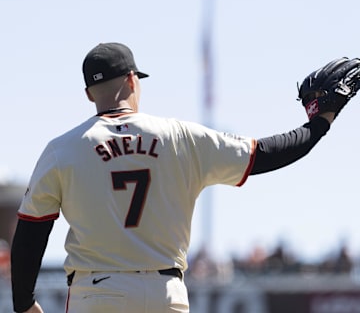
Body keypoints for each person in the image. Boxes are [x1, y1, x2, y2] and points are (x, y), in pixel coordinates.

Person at [10, 42, 346, 313]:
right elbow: (267, 154)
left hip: (96, 294)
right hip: (164, 294)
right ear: (132, 80)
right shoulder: (179, 136)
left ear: (88, 93)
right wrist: (319, 122)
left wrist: (24, 303)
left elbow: (30, 232)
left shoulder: (62, 149)